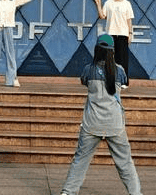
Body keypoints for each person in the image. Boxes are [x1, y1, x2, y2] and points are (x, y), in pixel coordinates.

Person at [59, 34, 141, 195]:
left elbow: (84, 81)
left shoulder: (88, 70)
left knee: (80, 161)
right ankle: (136, 193)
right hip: (114, 124)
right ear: (112, 51)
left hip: (92, 123)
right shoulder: (119, 70)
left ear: (96, 50)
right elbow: (124, 81)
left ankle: (68, 192)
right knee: (125, 163)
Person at [94, 0, 134, 85]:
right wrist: (98, 4)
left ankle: (124, 82)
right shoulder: (108, 3)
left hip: (123, 34)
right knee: (110, 58)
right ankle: (111, 80)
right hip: (111, 34)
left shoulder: (127, 4)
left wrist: (130, 33)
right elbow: (102, 16)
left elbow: (129, 20)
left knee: (123, 59)